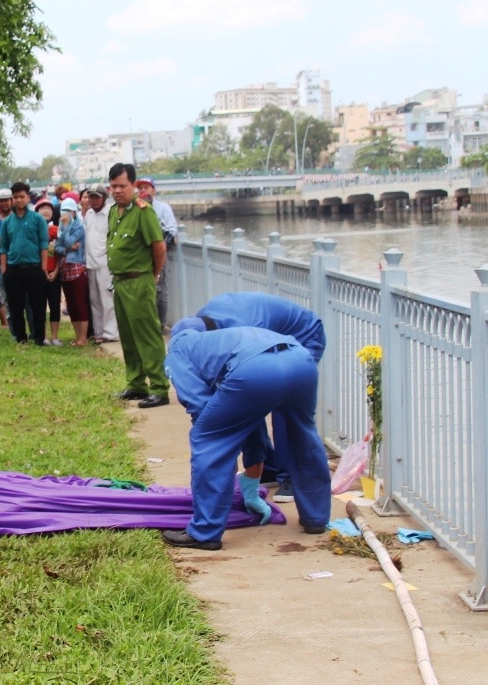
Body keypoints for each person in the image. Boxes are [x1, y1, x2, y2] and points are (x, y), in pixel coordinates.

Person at [160, 322, 332, 549]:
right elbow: (249, 418)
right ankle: (316, 518)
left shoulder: (177, 351)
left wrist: (222, 457)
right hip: (301, 360)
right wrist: (252, 477)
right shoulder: (221, 339)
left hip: (255, 368)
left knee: (207, 437)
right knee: (302, 435)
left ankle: (205, 532)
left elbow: (199, 407)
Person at [189, 293, 327, 509]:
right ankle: (268, 468)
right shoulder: (203, 327)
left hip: (303, 336)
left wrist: (234, 459)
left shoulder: (244, 330)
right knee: (246, 398)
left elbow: (249, 403)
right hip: (267, 346)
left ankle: (289, 476)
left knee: (285, 403)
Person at [107, 163, 169, 407]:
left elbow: (159, 248)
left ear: (133, 185)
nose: (117, 191)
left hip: (139, 280)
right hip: (120, 282)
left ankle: (159, 387)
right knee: (128, 336)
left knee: (148, 336)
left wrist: (152, 276)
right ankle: (136, 384)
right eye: (113, 186)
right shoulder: (114, 212)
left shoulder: (144, 212)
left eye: (122, 186)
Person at [0, 182, 48, 346]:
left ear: (28, 197)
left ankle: (39, 338)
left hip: (34, 268)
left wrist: (43, 268)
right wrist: (5, 269)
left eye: (22, 196)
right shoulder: (7, 222)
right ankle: (21, 338)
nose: (18, 200)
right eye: (15, 197)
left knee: (38, 306)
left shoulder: (37, 219)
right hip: (14, 269)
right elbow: (3, 247)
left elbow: (44, 244)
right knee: (15, 306)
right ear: (12, 199)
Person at [136, 177, 179, 328]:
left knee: (161, 291)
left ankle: (160, 324)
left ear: (153, 190)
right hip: (141, 257)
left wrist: (157, 237)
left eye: (146, 187)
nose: (143, 190)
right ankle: (146, 323)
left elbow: (172, 232)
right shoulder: (134, 208)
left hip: (159, 254)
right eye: (140, 188)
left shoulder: (163, 208)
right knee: (143, 290)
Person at [83, 185, 117, 343]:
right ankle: (98, 331)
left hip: (105, 263)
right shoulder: (88, 214)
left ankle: (110, 333)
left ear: (104, 198)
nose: (93, 200)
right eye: (91, 197)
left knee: (107, 299)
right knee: (94, 299)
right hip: (90, 263)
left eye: (97, 197)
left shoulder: (111, 213)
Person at [54, 197, 90, 347]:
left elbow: (67, 242)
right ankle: (77, 336)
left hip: (76, 267)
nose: (65, 215)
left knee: (80, 302)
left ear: (74, 213)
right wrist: (68, 247)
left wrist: (66, 229)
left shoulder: (78, 227)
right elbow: (57, 248)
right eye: (63, 212)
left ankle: (83, 337)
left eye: (68, 212)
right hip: (64, 268)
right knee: (71, 304)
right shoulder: (60, 227)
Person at [34, 198, 63, 345]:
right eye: (42, 208)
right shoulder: (34, 231)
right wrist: (43, 271)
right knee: (40, 306)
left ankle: (55, 337)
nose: (45, 210)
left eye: (48, 208)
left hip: (54, 273)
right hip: (39, 273)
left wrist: (56, 271)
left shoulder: (57, 230)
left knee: (55, 304)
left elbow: (60, 253)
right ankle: (43, 336)